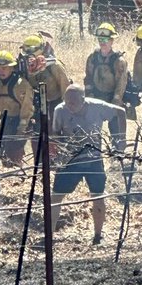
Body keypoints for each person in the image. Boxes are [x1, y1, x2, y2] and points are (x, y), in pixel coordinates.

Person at [51, 85, 127, 244]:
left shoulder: (97, 107)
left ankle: (98, 236)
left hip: (93, 158)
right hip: (70, 160)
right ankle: (48, 235)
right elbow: (55, 134)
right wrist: (57, 154)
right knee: (56, 196)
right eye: (67, 102)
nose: (69, 106)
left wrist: (121, 139)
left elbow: (121, 112)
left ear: (83, 100)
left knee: (98, 196)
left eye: (73, 103)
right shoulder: (60, 110)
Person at [22, 34, 70, 124]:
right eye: (26, 49)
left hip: (55, 102)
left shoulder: (53, 65)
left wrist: (66, 109)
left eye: (31, 49)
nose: (28, 52)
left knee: (54, 130)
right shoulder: (24, 67)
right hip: (35, 104)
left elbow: (66, 87)